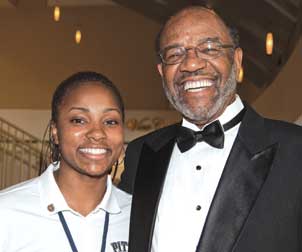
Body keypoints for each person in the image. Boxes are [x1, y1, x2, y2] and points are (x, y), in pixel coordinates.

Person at [119, 5, 302, 252]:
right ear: (162, 72)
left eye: (209, 48)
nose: (192, 64)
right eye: (175, 54)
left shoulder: (295, 150)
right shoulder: (141, 153)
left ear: (236, 60)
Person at [0, 71, 131, 252]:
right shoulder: (6, 212)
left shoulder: (139, 216)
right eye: (79, 120)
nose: (97, 133)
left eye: (110, 122)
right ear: (55, 132)